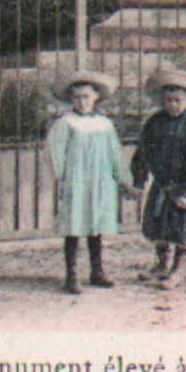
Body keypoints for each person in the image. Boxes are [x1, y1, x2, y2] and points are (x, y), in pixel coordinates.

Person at [45, 71, 134, 295]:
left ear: (96, 97)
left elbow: (114, 151)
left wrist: (118, 176)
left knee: (96, 225)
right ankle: (71, 275)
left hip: (100, 180)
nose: (82, 102)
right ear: (70, 99)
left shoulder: (104, 124)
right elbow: (55, 153)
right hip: (77, 180)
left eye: (86, 96)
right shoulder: (65, 123)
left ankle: (97, 271)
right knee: (74, 226)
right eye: (76, 97)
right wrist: (62, 178)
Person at [132, 70, 186, 291]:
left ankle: (178, 267)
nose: (172, 104)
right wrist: (140, 176)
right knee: (158, 223)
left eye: (177, 100)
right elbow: (143, 150)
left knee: (181, 226)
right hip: (161, 184)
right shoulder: (155, 122)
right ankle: (161, 263)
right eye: (168, 100)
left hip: (181, 184)